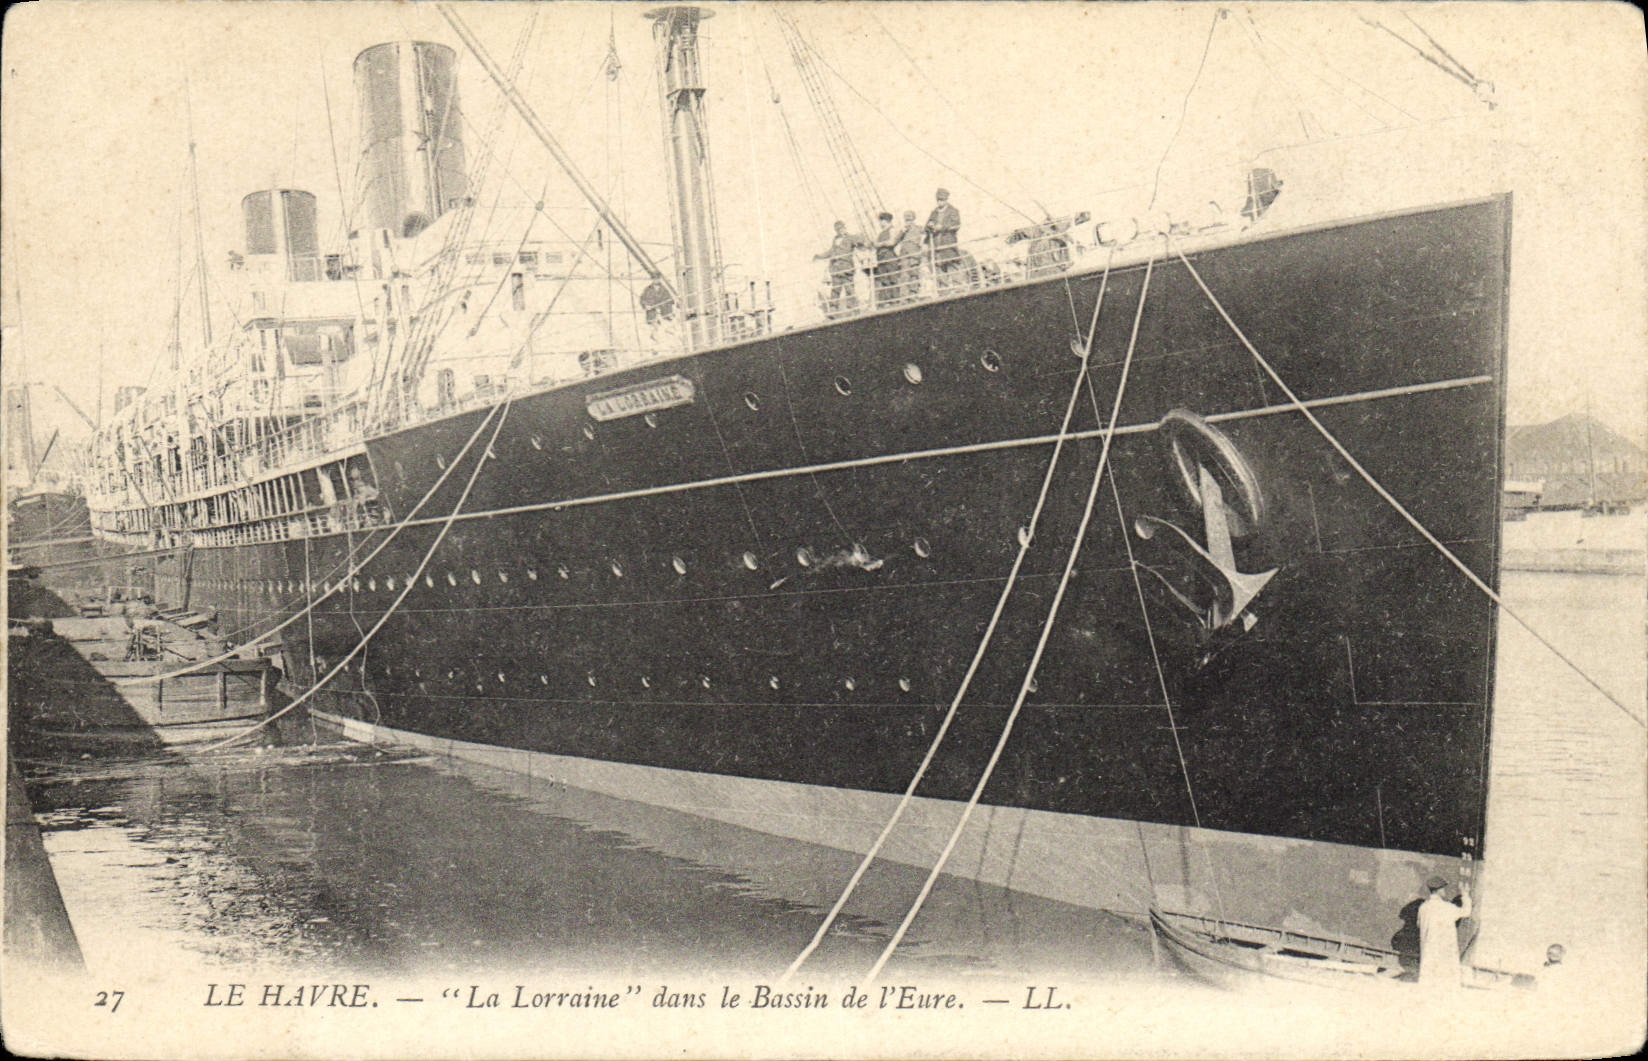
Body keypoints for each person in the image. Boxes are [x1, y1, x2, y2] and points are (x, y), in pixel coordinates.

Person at [1417, 875, 1472, 991]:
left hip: (1428, 951)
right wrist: (1465, 895)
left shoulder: (1423, 908)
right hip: (1444, 953)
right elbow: (1466, 912)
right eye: (1443, 889)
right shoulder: (1447, 908)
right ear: (1439, 890)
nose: (1445, 891)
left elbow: (1419, 924)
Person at [814, 220, 864, 315]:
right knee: (835, 289)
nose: (840, 230)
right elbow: (830, 252)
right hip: (835, 268)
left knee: (849, 288)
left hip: (846, 267)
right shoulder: (835, 240)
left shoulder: (850, 238)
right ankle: (833, 308)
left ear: (844, 228)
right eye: (838, 229)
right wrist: (819, 256)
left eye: (842, 228)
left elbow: (860, 243)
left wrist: (859, 240)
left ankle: (853, 308)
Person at [924, 188, 962, 282]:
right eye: (938, 200)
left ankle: (958, 288)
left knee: (952, 266)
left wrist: (942, 227)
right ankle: (944, 290)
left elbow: (956, 225)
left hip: (948, 244)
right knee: (939, 268)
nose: (940, 202)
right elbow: (926, 227)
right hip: (936, 246)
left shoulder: (953, 211)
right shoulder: (934, 212)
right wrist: (930, 226)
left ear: (946, 199)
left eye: (942, 200)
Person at [871, 211, 900, 308]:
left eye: (881, 221)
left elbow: (892, 242)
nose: (880, 223)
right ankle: (887, 301)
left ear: (886, 221)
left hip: (889, 257)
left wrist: (881, 244)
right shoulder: (880, 233)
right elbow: (875, 244)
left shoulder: (892, 230)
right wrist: (881, 244)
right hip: (881, 258)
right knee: (884, 279)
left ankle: (895, 300)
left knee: (892, 278)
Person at [895, 210, 924, 302]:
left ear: (913, 219)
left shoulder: (919, 228)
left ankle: (914, 294)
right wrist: (902, 232)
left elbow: (927, 232)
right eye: (906, 220)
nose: (908, 222)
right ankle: (904, 297)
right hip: (904, 255)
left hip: (914, 254)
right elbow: (895, 241)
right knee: (904, 276)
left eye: (909, 219)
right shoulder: (903, 231)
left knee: (914, 275)